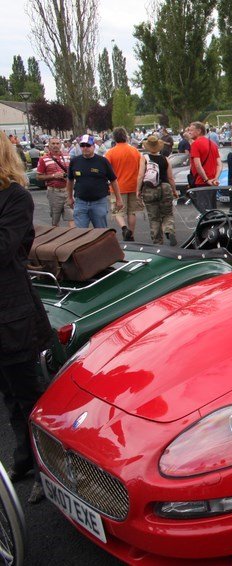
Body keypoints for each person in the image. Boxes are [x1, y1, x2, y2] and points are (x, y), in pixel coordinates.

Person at [0, 133, 52, 504]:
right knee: (9, 394)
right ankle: (23, 457)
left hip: (12, 313)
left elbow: (4, 249)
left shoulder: (15, 197)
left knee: (29, 394)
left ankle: (44, 469)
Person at [67, 134, 122, 228]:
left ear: (93, 146)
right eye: (82, 145)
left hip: (99, 202)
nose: (85, 148)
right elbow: (70, 180)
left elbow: (113, 180)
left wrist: (119, 199)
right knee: (80, 232)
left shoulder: (103, 161)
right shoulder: (75, 161)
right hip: (80, 202)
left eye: (88, 145)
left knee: (100, 232)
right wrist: (69, 197)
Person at [105, 127, 145, 242]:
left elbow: (106, 170)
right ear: (126, 136)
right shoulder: (135, 151)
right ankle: (131, 234)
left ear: (114, 138)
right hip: (133, 186)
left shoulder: (110, 153)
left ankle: (124, 228)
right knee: (131, 212)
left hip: (117, 187)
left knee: (118, 211)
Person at [140, 135, 179, 245]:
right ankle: (169, 230)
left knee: (154, 217)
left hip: (150, 189)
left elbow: (140, 175)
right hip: (165, 187)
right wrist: (174, 190)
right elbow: (170, 177)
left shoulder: (144, 158)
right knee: (167, 213)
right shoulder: (165, 159)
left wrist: (138, 190)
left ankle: (157, 241)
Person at [36, 137, 74, 227]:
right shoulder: (43, 159)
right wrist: (53, 176)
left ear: (61, 145)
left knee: (72, 217)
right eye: (53, 144)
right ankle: (55, 234)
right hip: (54, 192)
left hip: (67, 191)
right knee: (55, 220)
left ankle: (73, 235)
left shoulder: (67, 156)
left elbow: (72, 172)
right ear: (49, 145)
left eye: (57, 143)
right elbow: (38, 177)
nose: (55, 145)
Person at [188, 121, 222, 213]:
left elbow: (197, 165)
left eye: (191, 130)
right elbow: (219, 164)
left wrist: (206, 179)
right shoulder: (212, 144)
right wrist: (216, 178)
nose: (189, 132)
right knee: (213, 209)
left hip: (201, 182)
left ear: (199, 131)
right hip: (213, 182)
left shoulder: (195, 144)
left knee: (204, 211)